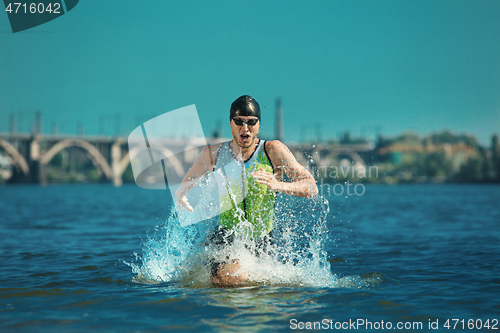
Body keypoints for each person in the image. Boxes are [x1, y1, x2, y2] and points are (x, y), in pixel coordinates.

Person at [175, 95, 318, 286]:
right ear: (231, 123)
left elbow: (311, 187)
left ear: (259, 124)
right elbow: (185, 184)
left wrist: (279, 186)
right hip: (224, 239)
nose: (245, 129)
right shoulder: (213, 154)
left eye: (251, 122)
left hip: (263, 242)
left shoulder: (273, 150)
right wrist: (182, 197)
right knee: (230, 279)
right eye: (239, 122)